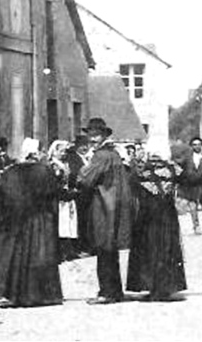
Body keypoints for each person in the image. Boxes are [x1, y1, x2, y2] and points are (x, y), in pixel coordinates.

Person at [0, 138, 64, 307]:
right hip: (40, 220)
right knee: (39, 256)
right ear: (35, 153)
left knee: (19, 256)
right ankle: (42, 294)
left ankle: (16, 293)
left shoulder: (10, 172)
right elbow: (53, 193)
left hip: (17, 220)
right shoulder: (44, 171)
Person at [79, 118, 134, 304]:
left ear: (103, 136)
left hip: (104, 206)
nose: (92, 139)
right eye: (90, 135)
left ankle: (106, 292)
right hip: (115, 204)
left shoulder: (101, 156)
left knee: (104, 249)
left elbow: (86, 180)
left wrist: (81, 171)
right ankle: (115, 291)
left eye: (96, 135)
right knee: (111, 251)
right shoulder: (114, 154)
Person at [126, 153, 187, 301]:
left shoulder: (139, 174)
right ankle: (165, 287)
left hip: (147, 217)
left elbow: (132, 187)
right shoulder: (173, 171)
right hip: (167, 216)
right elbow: (191, 178)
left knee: (149, 250)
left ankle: (152, 287)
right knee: (166, 249)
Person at [175, 136, 202, 235]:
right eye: (194, 145)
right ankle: (196, 226)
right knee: (193, 205)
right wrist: (183, 176)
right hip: (192, 184)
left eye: (199, 144)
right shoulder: (187, 157)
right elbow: (178, 164)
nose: (197, 146)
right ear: (191, 146)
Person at [49, 140, 78, 261]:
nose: (63, 153)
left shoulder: (65, 164)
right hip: (59, 198)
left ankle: (68, 249)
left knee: (68, 223)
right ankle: (60, 251)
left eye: (65, 151)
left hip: (67, 196)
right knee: (61, 223)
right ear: (55, 151)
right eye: (61, 151)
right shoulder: (53, 165)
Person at [64, 134, 91, 255]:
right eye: (82, 145)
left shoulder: (86, 158)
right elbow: (74, 174)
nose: (85, 148)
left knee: (85, 220)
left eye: (87, 145)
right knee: (78, 221)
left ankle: (85, 245)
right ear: (76, 146)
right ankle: (79, 247)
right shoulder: (73, 158)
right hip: (77, 193)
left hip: (86, 193)